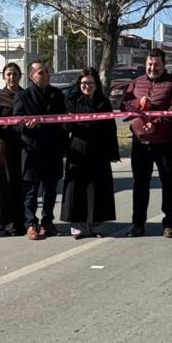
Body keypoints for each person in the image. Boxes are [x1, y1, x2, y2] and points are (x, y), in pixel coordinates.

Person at [121, 49, 172, 237]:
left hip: (165, 142)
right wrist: (138, 102)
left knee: (169, 182)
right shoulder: (136, 82)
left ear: (164, 64)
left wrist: (155, 124)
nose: (152, 68)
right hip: (140, 142)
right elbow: (124, 106)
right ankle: (138, 224)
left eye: (156, 65)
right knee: (140, 183)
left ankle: (169, 224)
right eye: (150, 64)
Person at [61, 67, 119, 238]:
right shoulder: (72, 101)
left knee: (98, 189)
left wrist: (113, 151)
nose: (87, 86)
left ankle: (96, 225)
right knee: (76, 189)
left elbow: (111, 128)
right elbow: (64, 128)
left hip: (99, 150)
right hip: (78, 149)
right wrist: (69, 120)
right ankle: (77, 226)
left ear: (96, 84)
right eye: (84, 83)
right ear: (79, 84)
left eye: (91, 83)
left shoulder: (104, 102)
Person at [16, 60, 68, 239]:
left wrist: (63, 145)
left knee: (51, 189)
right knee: (31, 191)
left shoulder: (57, 94)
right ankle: (31, 224)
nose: (45, 75)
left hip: (53, 149)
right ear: (31, 76)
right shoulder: (23, 96)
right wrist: (26, 126)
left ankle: (48, 221)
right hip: (32, 150)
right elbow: (16, 121)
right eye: (41, 72)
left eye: (47, 71)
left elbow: (63, 120)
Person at [0, 62, 26, 236]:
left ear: (20, 76)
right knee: (6, 184)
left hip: (24, 145)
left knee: (22, 183)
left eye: (15, 74)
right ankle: (7, 223)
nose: (12, 77)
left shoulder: (26, 95)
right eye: (9, 74)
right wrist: (7, 125)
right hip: (5, 146)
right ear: (4, 77)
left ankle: (23, 221)